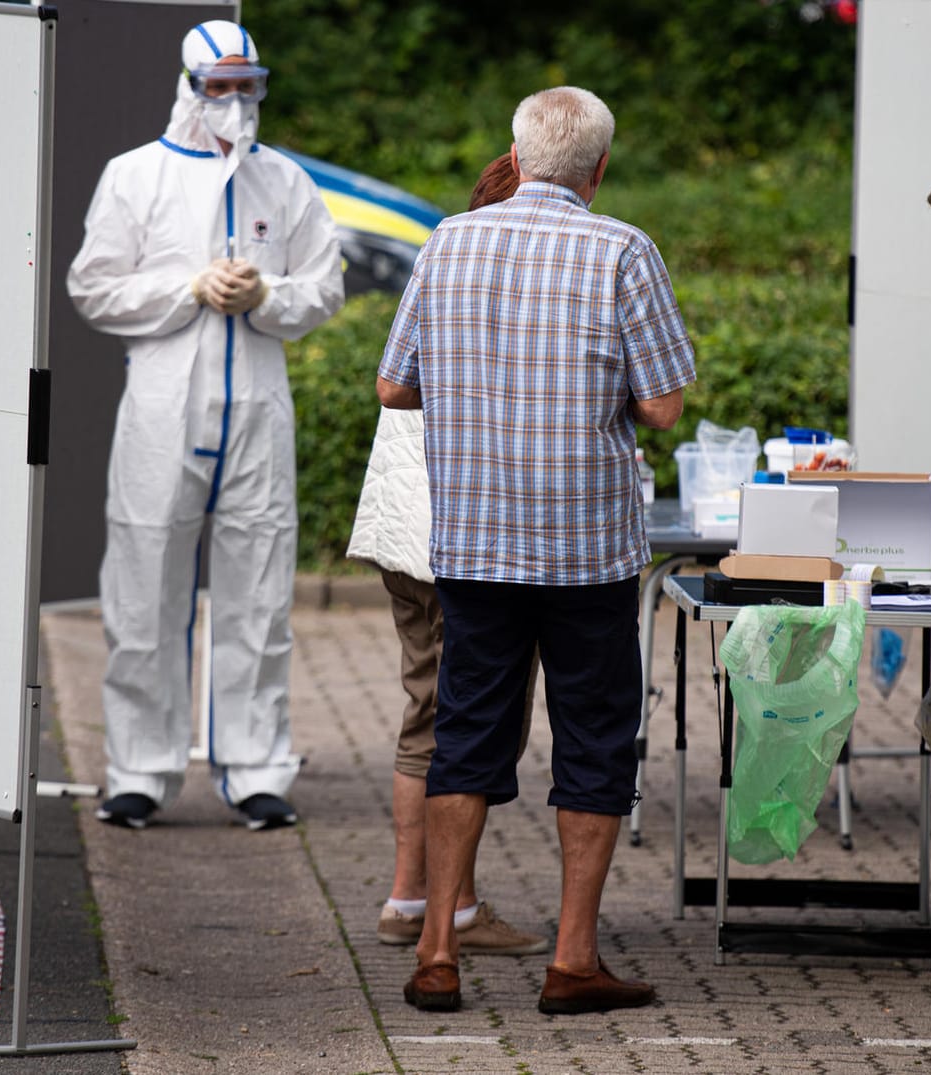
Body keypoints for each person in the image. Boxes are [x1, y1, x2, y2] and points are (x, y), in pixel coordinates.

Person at [376, 87, 695, 1014]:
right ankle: (573, 959)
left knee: (465, 735)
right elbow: (664, 404)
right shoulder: (622, 248)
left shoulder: (446, 242)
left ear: (513, 160)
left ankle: (437, 948)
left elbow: (395, 387)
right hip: (586, 549)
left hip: (473, 543)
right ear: (599, 169)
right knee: (594, 741)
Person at [67, 20, 344, 832]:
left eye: (246, 85)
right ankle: (140, 771)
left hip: (257, 408)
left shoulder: (284, 182)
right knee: (145, 586)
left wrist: (268, 297)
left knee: (258, 591)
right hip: (162, 408)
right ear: (187, 85)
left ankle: (256, 767)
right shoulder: (135, 177)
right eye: (218, 86)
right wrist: (188, 288)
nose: (234, 102)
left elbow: (323, 286)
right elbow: (95, 288)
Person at [346, 153, 546, 958]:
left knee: (433, 708)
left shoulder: (447, 260)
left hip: (411, 526)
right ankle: (439, 906)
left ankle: (418, 899)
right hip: (450, 535)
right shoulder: (494, 274)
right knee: (456, 718)